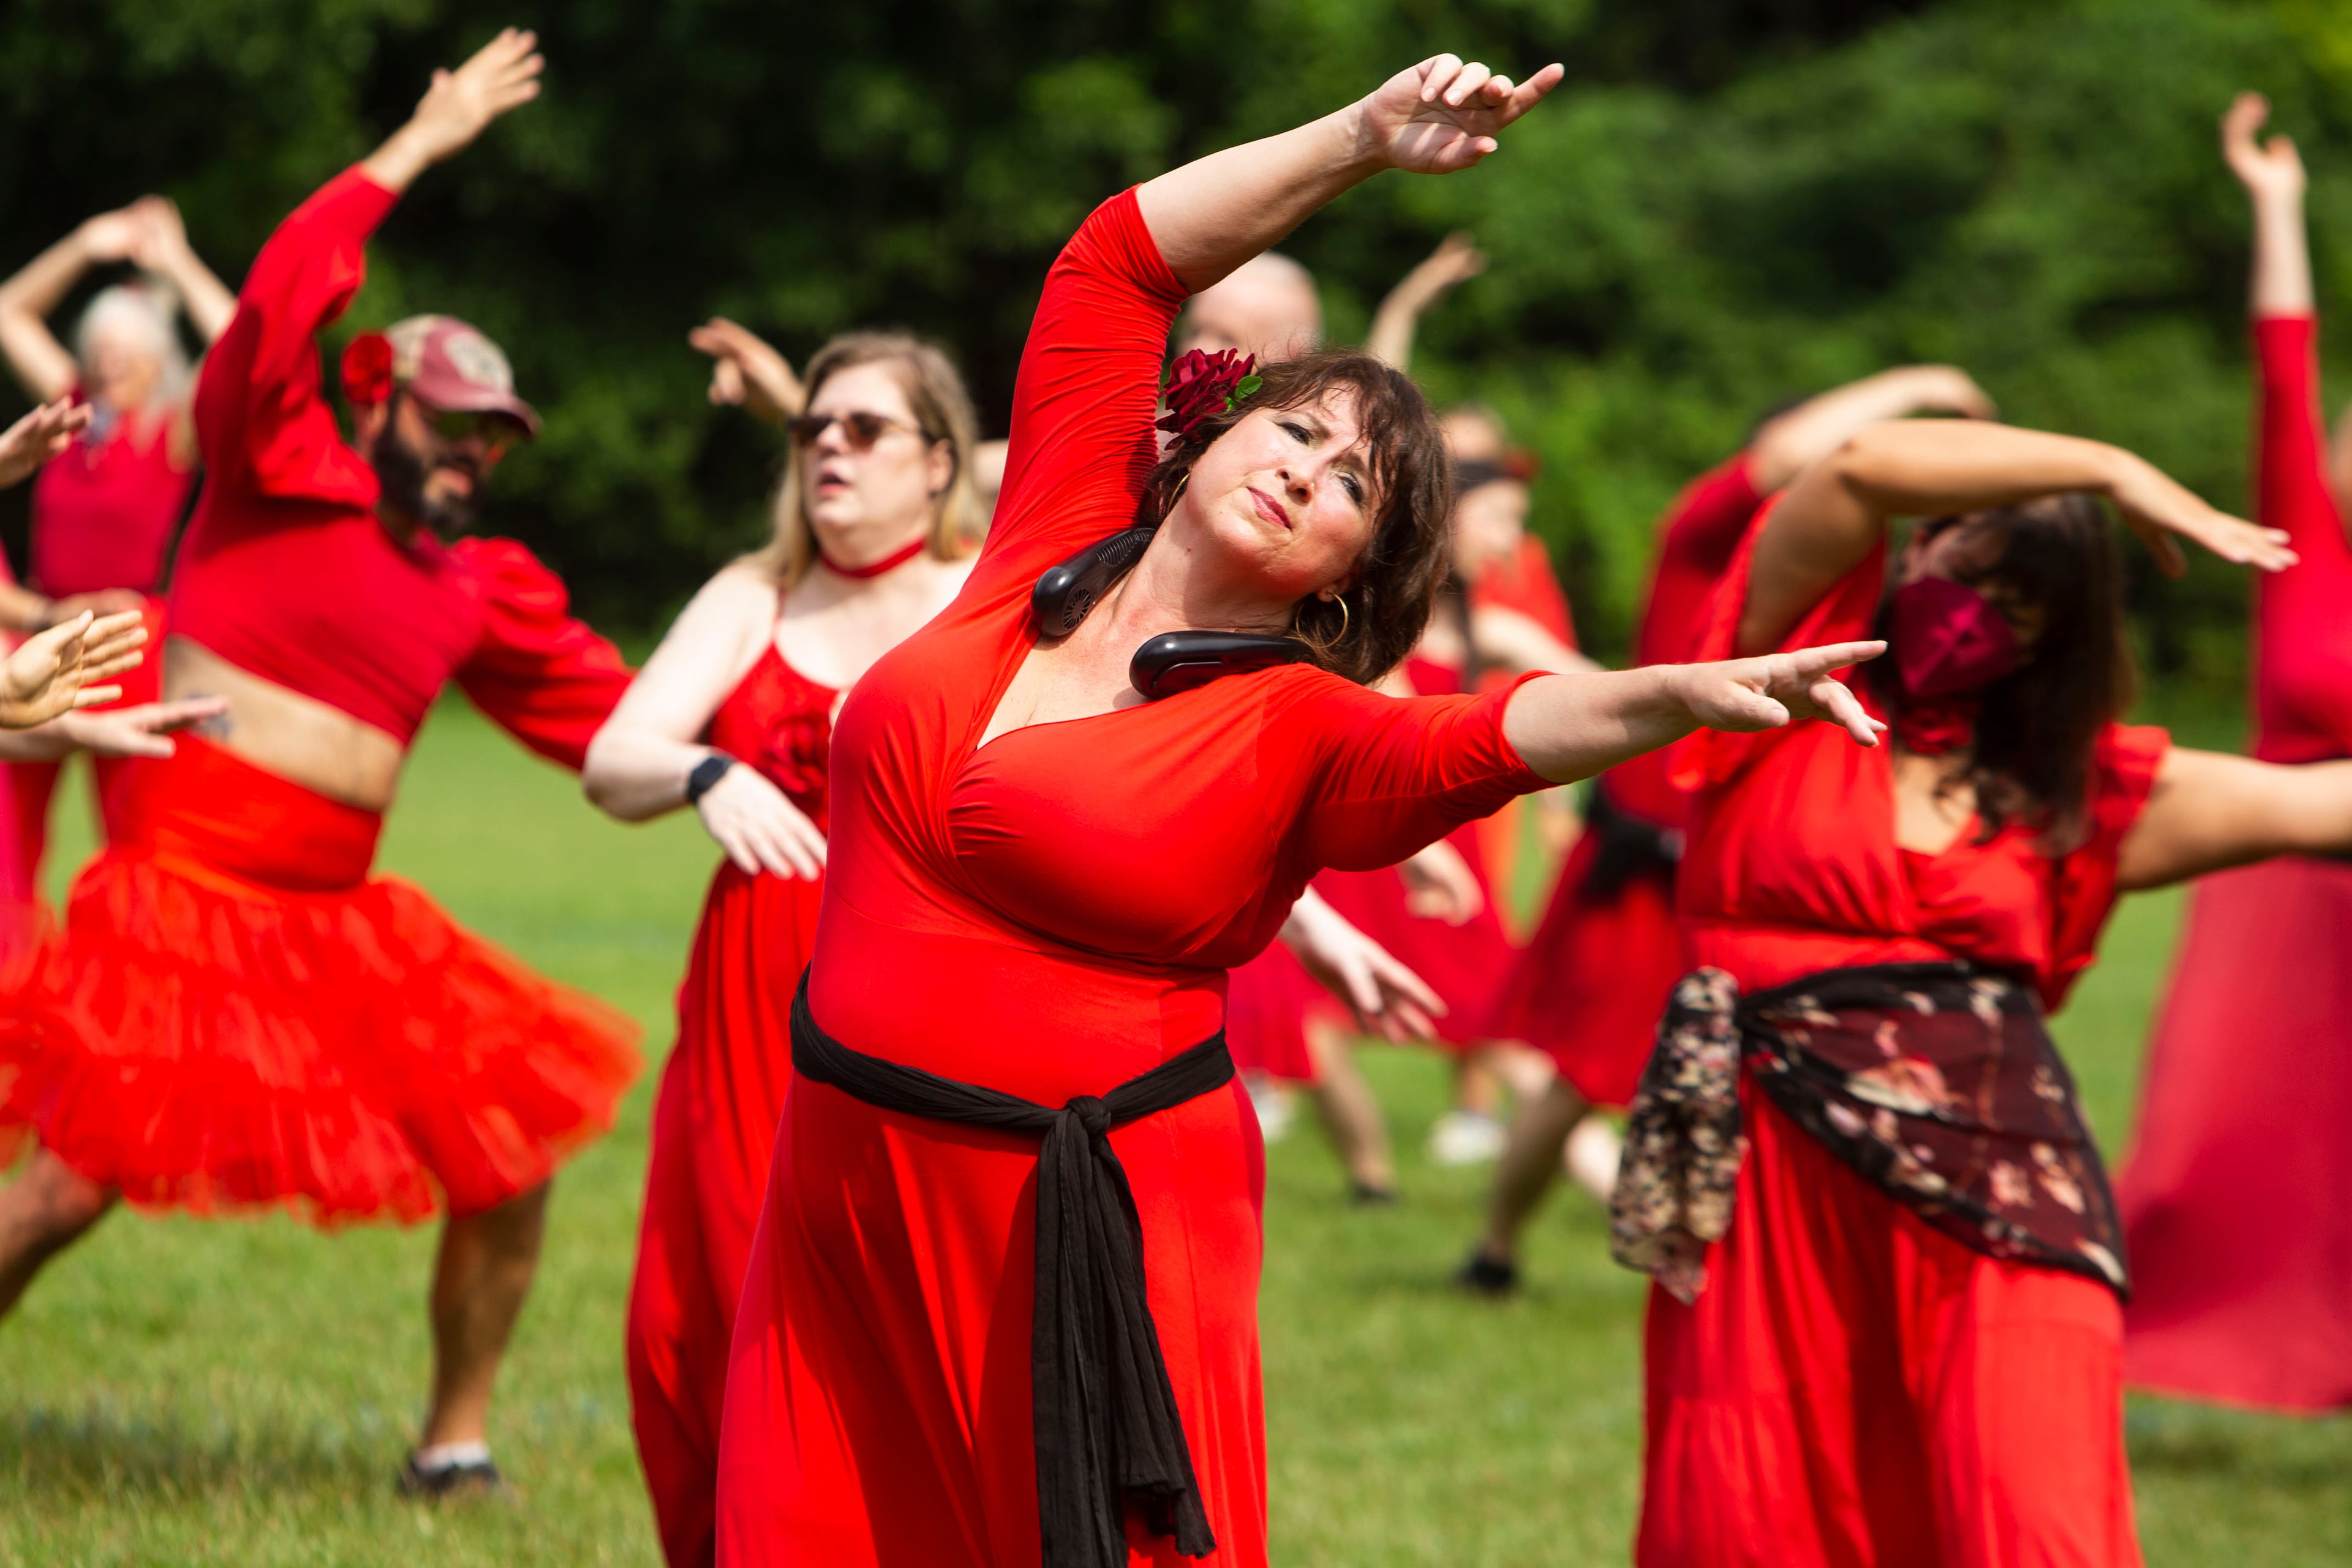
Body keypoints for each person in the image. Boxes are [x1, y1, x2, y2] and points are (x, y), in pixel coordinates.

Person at [711, 52, 1890, 1567]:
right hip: (842, 1179)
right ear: (1210, 430)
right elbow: (1116, 259)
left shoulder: (1302, 727)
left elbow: (1491, 735)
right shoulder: (1048, 530)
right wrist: (1359, 141)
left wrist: (1671, 687)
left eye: (1351, 488)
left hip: (1075, 1219)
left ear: (1348, 573)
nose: (1307, 474)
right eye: (1297, 433)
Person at [0, 29, 641, 1498]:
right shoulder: (274, 460)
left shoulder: (482, 582)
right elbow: (282, 292)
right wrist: (416, 144)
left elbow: (614, 713)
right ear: (380, 399)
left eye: (496, 440)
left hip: (338, 925)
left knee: (511, 1145)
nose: (475, 454)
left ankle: (453, 1440)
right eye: (453, 425)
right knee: (65, 1181)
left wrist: (788, 750)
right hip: (177, 894)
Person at [1605, 403, 2352, 1566]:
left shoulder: (2072, 788)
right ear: (1918, 543)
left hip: (2004, 1192)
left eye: (2021, 608)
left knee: (2032, 1516)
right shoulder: (1784, 686)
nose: (1980, 617)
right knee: (1753, 1520)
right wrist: (2108, 461)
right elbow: (1856, 468)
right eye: (1972, 567)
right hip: (1770, 1184)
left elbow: (2325, 805)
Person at [583, 326, 982, 1567]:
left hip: (923, 992)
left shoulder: (988, 594)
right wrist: (705, 766)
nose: (829, 450)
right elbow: (612, 758)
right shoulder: (751, 593)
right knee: (698, 1317)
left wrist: (1314, 915)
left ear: (939, 460)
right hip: (753, 1001)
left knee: (889, 1322)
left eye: (865, 430)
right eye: (813, 429)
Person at [1468, 363, 1997, 1290]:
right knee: (1585, 1072)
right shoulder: (1710, 528)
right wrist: (1926, 381)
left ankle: (1741, 1265)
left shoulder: (1850, 571)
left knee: (1762, 1069)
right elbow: (1793, 454)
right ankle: (1500, 1246)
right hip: (1648, 848)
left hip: (1762, 860)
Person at [2115, 93, 2352, 1413]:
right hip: (2275, 891)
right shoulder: (2303, 554)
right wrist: (2275, 204)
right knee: (2221, 1154)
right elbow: (2283, 367)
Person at [0, 194, 238, 876]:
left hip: (131, 639)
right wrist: (85, 242)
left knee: (135, 832)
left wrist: (179, 262)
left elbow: (240, 346)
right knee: (10, 828)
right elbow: (8, 312)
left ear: (158, 361)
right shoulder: (69, 411)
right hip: (41, 626)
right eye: (97, 350)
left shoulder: (172, 425)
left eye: (125, 353)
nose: (106, 365)